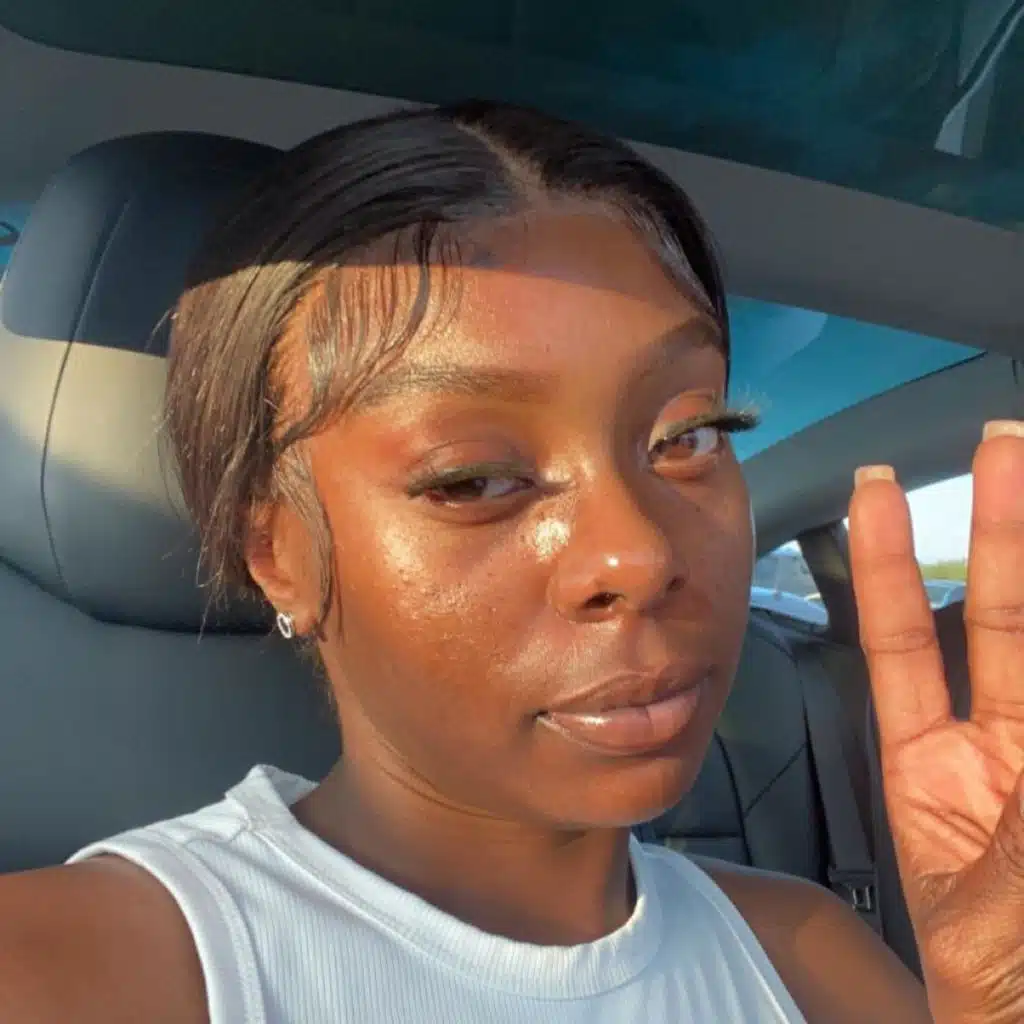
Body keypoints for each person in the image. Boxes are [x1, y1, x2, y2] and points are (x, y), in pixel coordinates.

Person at [0, 101, 1022, 1024]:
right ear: (278, 555)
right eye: (474, 479)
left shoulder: (810, 957)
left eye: (688, 434)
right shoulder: (62, 970)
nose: (639, 553)